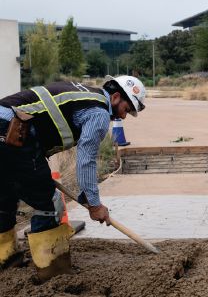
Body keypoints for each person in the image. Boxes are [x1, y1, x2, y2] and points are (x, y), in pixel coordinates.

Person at [0, 76, 146, 280]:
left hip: (7, 127)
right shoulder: (99, 113)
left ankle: (5, 260)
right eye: (127, 109)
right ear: (115, 97)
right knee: (48, 204)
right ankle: (53, 271)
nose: (125, 116)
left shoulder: (85, 95)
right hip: (13, 130)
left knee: (5, 194)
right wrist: (94, 205)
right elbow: (86, 161)